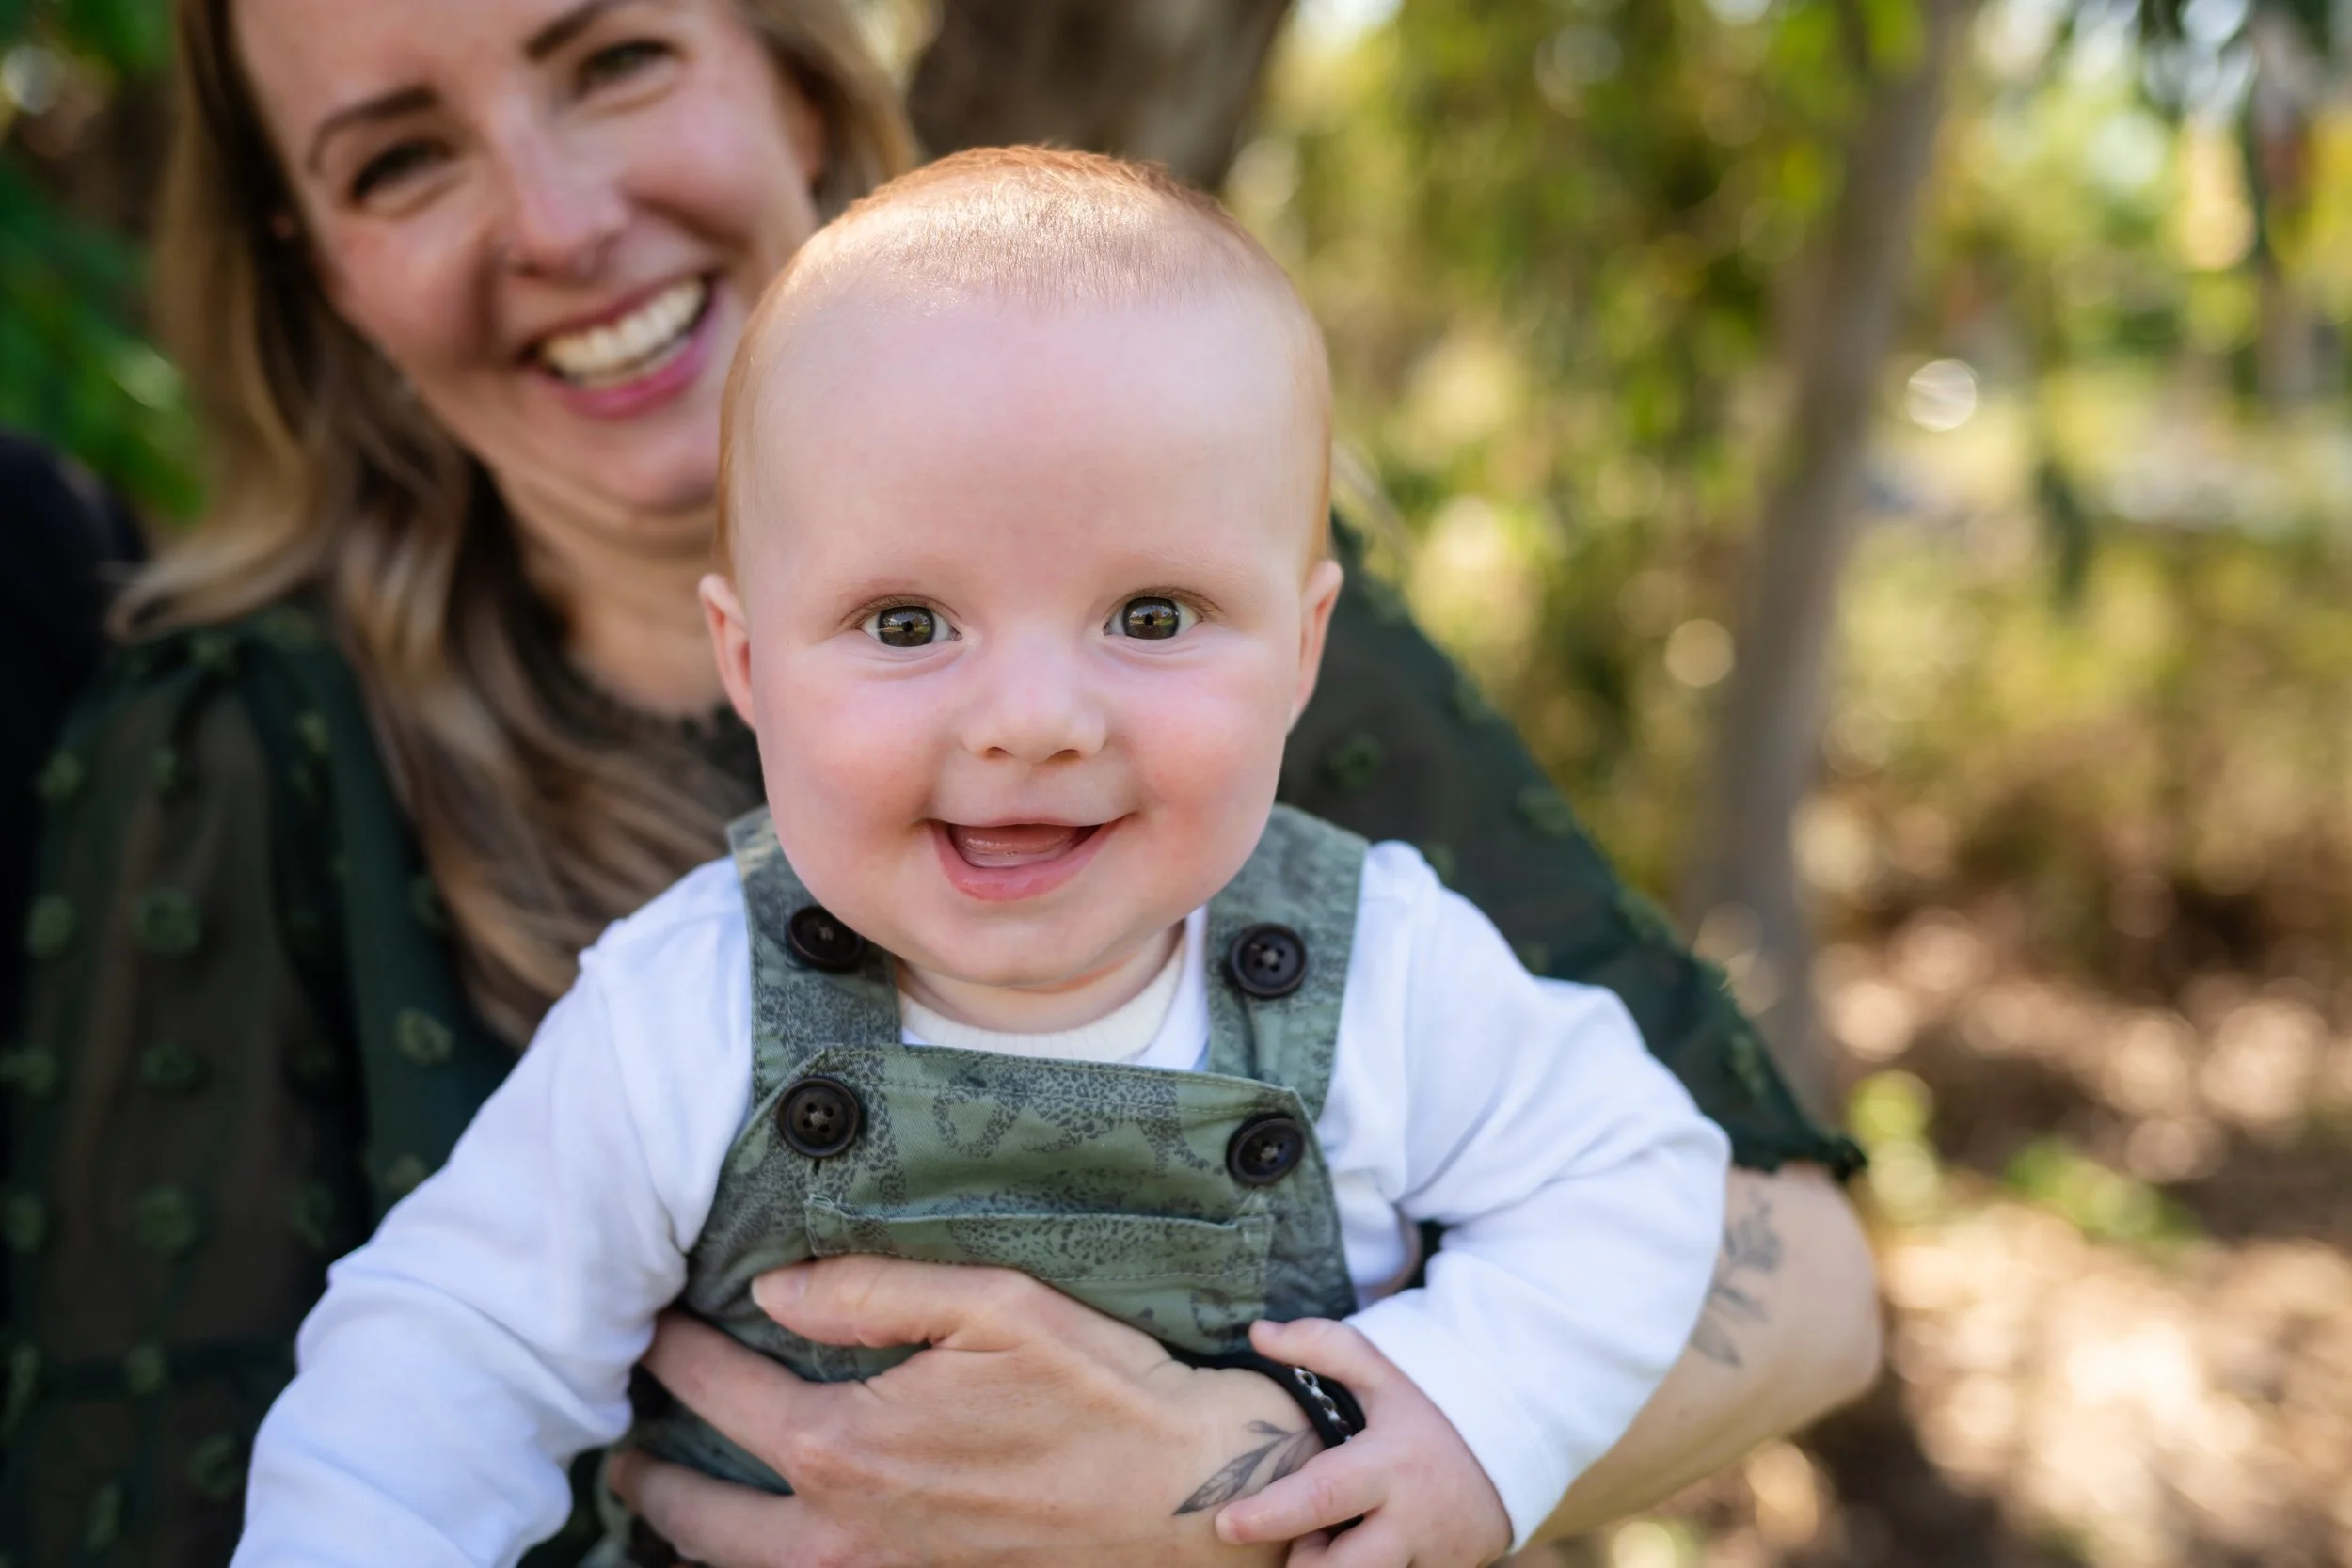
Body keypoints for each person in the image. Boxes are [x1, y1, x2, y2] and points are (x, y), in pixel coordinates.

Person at [1, 0, 1875, 1562]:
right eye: (906, 623)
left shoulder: (1379, 952)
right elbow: (447, 1349)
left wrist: (1448, 1423)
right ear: (751, 669)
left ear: (1305, 649)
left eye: (1146, 610)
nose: (1034, 715)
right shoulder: (676, 999)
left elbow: (1647, 1177)